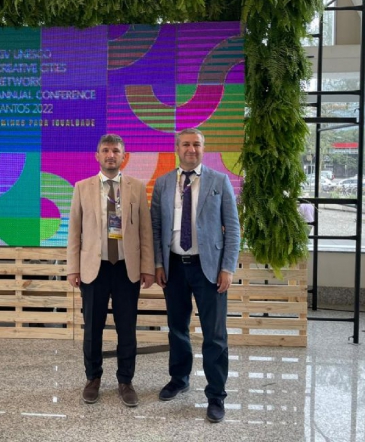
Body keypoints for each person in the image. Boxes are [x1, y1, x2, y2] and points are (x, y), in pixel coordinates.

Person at [150, 128, 240, 423]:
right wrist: (159, 264)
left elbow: (233, 228)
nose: (191, 149)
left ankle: (216, 395)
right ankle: (179, 379)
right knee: (177, 328)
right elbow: (156, 228)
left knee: (215, 334)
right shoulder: (163, 183)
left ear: (203, 148)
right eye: (186, 144)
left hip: (209, 268)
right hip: (174, 266)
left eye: (197, 144)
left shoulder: (219, 181)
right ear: (177, 148)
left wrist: (227, 268)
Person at [67, 134, 155, 407]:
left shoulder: (136, 187)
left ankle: (125, 381)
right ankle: (92, 378)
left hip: (126, 269)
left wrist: (147, 267)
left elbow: (145, 231)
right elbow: (74, 231)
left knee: (126, 328)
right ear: (97, 156)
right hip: (94, 269)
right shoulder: (82, 187)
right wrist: (72, 268)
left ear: (123, 156)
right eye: (105, 150)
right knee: (92, 329)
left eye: (116, 151)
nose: (110, 155)